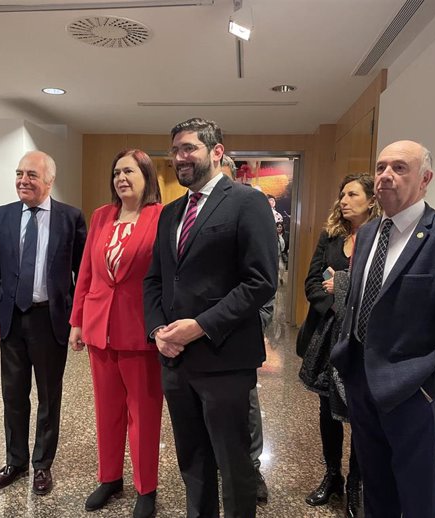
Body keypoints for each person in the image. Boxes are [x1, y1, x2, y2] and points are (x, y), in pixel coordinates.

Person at [331, 141, 435, 518]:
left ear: (425, 179)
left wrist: (430, 385)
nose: (385, 175)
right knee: (376, 489)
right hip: (362, 386)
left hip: (413, 395)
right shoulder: (368, 234)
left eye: (400, 168)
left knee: (417, 497)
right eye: (381, 167)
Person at [144, 118, 278, 518]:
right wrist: (156, 332)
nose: (179, 158)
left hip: (225, 360)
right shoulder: (170, 213)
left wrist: (199, 326)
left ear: (216, 151)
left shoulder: (246, 202)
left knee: (234, 465)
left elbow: (261, 282)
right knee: (193, 462)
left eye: (189, 149)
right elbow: (155, 279)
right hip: (176, 360)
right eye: (175, 151)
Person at [0, 151, 87, 495]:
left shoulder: (70, 218)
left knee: (48, 397)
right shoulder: (3, 216)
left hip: (50, 320)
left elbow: (83, 274)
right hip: (11, 320)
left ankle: (42, 465)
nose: (23, 181)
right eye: (19, 174)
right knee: (13, 395)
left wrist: (79, 319)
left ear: (49, 180)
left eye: (31, 175)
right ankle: (15, 461)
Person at [68, 149, 163, 518]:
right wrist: (77, 321)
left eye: (129, 171)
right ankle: (110, 478)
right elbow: (87, 274)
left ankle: (146, 487)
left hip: (140, 331)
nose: (121, 178)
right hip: (98, 327)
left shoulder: (160, 216)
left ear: (146, 176)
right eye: (116, 172)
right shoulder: (101, 216)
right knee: (106, 410)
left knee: (144, 412)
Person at [297, 173, 380, 517]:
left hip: (364, 339)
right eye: (342, 194)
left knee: (360, 410)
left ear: (371, 200)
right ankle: (332, 476)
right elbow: (312, 282)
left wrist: (341, 286)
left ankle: (355, 485)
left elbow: (375, 289)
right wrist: (334, 302)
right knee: (326, 410)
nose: (344, 200)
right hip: (326, 335)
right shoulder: (331, 236)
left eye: (352, 194)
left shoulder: (380, 239)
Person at [220, 153, 270, 506]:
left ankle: (251, 467)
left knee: (247, 406)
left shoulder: (250, 210)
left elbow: (263, 279)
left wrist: (258, 320)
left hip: (239, 335)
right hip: (201, 338)